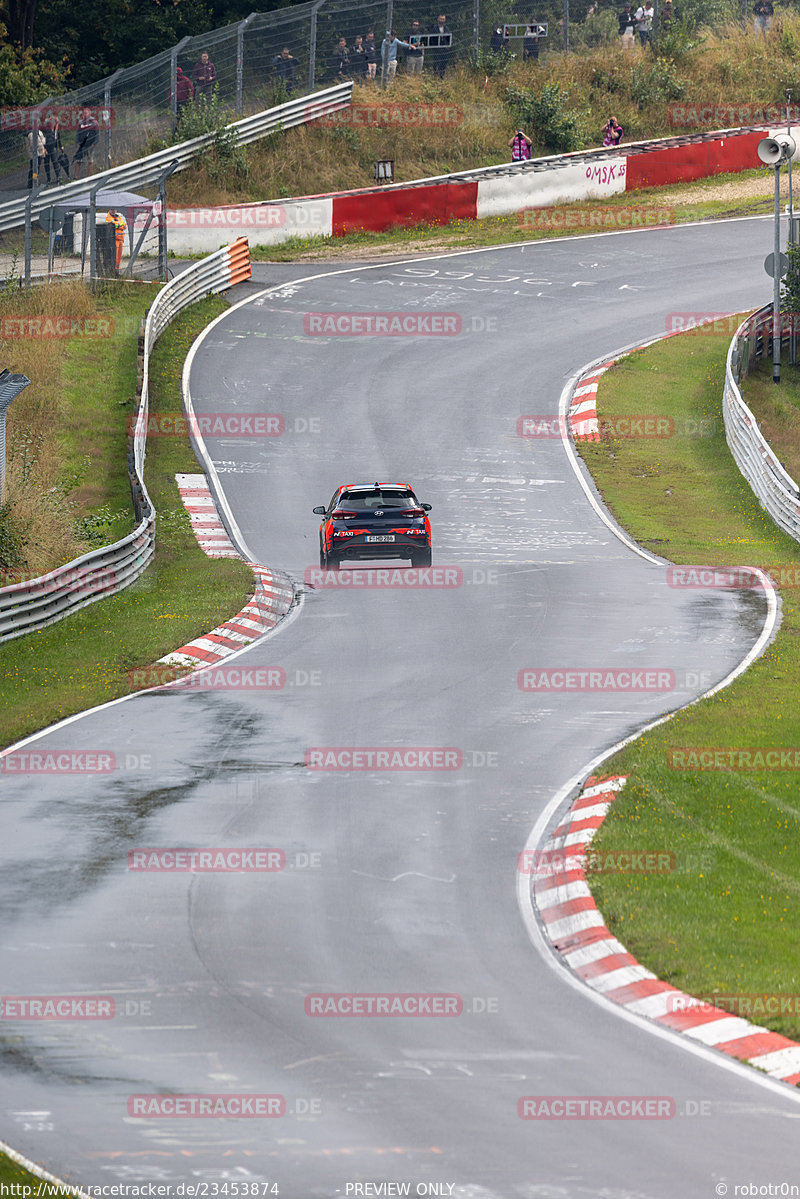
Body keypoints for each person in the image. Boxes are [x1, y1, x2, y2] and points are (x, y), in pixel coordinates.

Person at [72, 107, 99, 179]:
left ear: (90, 114)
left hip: (90, 145)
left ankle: (90, 177)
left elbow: (97, 134)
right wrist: (77, 143)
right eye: (83, 113)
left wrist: (94, 143)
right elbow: (77, 133)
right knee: (79, 160)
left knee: (90, 160)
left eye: (86, 113)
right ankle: (75, 177)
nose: (84, 115)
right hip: (82, 145)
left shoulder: (94, 123)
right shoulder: (80, 123)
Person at [42, 113, 68, 184]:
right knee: (46, 163)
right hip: (47, 147)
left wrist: (60, 146)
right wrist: (44, 148)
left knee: (55, 162)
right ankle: (48, 179)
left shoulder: (56, 129)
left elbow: (58, 138)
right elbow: (43, 138)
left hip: (53, 147)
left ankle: (59, 178)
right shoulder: (46, 129)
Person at [105, 207, 127, 274]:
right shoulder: (108, 218)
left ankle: (117, 269)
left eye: (114, 209)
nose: (114, 211)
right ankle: (113, 270)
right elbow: (114, 225)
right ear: (109, 210)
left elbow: (125, 226)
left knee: (119, 256)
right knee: (114, 256)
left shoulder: (119, 217)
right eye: (112, 209)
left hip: (120, 239)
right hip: (114, 240)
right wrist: (120, 225)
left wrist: (118, 225)